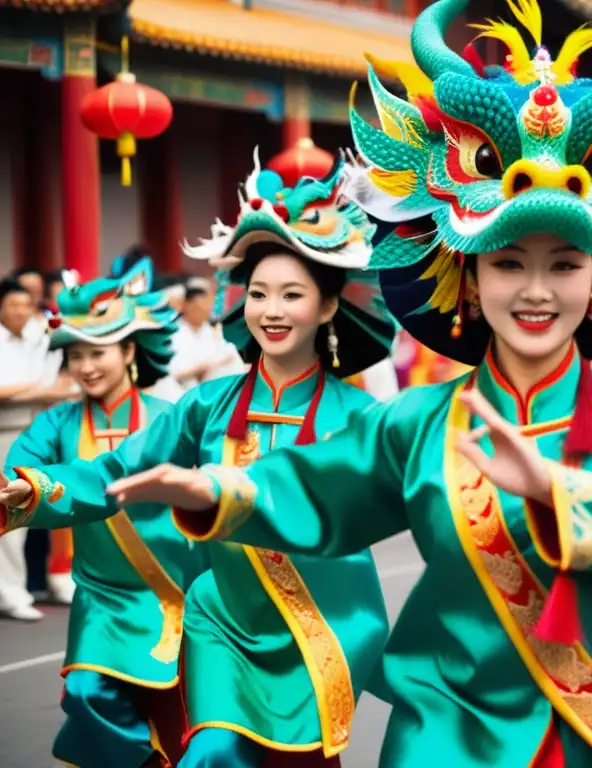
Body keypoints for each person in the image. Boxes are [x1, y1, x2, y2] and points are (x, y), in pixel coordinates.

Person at [97, 1, 592, 765]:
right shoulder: (419, 423)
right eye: (509, 263)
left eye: (564, 265)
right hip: (448, 718)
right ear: (468, 274)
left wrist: (556, 487)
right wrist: (217, 493)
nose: (535, 290)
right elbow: (322, 487)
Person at [0, 148, 397, 766]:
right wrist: (36, 491)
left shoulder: (363, 418)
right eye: (259, 293)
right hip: (222, 622)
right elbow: (113, 472)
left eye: (292, 295)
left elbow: (403, 507)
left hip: (315, 626)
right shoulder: (206, 405)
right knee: (210, 753)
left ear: (326, 307)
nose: (271, 310)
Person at [0, 258, 198, 767]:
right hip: (102, 598)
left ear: (130, 351)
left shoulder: (167, 419)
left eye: (98, 352)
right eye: (76, 356)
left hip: (174, 592)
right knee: (90, 692)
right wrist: (21, 490)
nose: (86, 366)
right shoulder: (56, 422)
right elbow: (20, 470)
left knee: (181, 717)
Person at [0, 278, 74, 619]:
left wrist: (36, 390)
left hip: (35, 432)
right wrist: (38, 389)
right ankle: (10, 593)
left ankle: (24, 586)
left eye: (24, 305)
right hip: (4, 431)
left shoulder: (37, 339)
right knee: (9, 514)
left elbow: (59, 386)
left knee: (34, 505)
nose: (19, 311)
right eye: (12, 304)